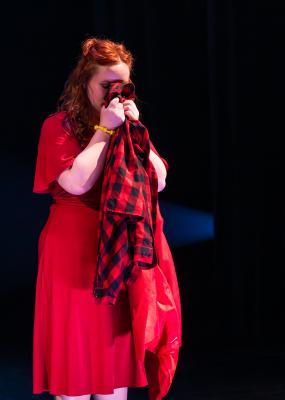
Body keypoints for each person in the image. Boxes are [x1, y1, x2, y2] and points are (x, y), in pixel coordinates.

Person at [32, 37, 177, 400]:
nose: (115, 94)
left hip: (115, 254)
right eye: (106, 85)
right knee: (74, 363)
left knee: (113, 371)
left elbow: (159, 179)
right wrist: (103, 130)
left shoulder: (127, 127)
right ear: (85, 84)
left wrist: (135, 128)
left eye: (122, 86)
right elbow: (76, 183)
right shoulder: (59, 126)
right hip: (72, 252)